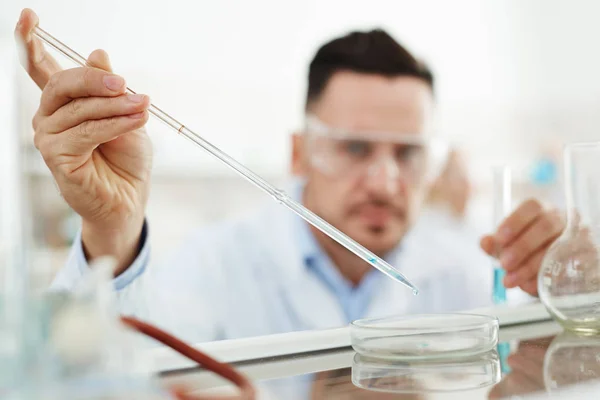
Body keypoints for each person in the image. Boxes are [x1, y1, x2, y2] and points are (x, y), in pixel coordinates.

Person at [15, 8, 565, 344]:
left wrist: (564, 288)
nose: (383, 180)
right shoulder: (214, 266)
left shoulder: (466, 270)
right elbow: (94, 372)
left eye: (408, 154)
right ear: (300, 153)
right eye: (353, 147)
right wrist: (112, 234)